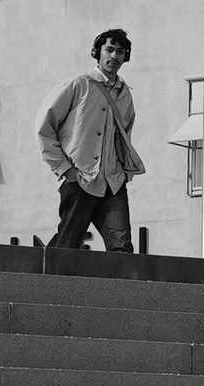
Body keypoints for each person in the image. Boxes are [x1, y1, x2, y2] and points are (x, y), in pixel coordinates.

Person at [38, 27, 144, 254]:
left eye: (120, 51)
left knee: (122, 250)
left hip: (113, 183)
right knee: (67, 248)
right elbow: (44, 129)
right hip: (80, 178)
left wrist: (124, 173)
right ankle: (41, 270)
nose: (115, 56)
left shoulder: (125, 94)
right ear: (97, 52)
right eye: (109, 49)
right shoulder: (78, 85)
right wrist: (65, 169)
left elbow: (124, 136)